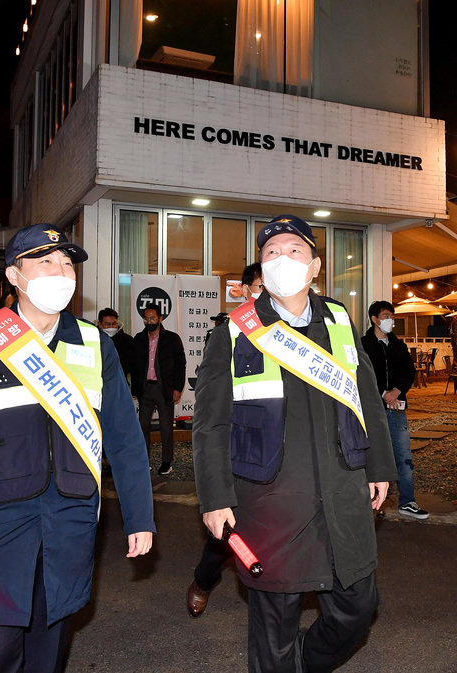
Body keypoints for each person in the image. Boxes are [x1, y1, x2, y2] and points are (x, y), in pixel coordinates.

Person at [0, 223, 155, 673]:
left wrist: (140, 516)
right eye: (44, 262)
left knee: (48, 660)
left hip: (68, 530)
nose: (60, 271)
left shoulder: (96, 345)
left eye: (66, 263)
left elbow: (124, 438)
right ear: (15, 276)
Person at [193, 214, 397, 673]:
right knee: (273, 630)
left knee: (357, 610)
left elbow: (367, 396)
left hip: (343, 492)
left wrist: (381, 467)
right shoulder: (234, 329)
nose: (281, 259)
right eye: (270, 253)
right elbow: (210, 424)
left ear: (315, 267)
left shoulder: (339, 319)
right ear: (260, 269)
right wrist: (215, 497)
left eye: (294, 251)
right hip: (270, 501)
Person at [188, 262, 264, 617]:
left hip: (278, 458)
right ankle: (203, 581)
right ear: (246, 290)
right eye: (261, 286)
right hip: (239, 453)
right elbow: (211, 415)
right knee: (225, 537)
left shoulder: (298, 334)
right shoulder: (230, 333)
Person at [361, 300, 430, 520]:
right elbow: (363, 374)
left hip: (397, 409)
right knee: (371, 456)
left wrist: (398, 390)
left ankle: (407, 502)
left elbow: (409, 371)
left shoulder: (398, 345)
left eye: (392, 316)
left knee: (403, 456)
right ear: (375, 319)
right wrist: (383, 393)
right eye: (386, 316)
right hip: (373, 410)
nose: (390, 320)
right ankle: (371, 502)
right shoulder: (363, 345)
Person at [132, 303, 186, 475]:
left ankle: (166, 461)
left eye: (153, 318)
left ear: (160, 319)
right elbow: (135, 367)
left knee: (166, 427)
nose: (149, 322)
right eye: (146, 319)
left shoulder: (172, 339)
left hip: (165, 389)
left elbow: (180, 365)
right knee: (143, 426)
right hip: (145, 389)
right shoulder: (139, 339)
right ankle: (143, 460)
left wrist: (177, 388)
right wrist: (135, 387)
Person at [97, 307, 135, 382]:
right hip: (98, 384)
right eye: (107, 324)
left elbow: (133, 366)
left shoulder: (127, 341)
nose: (111, 327)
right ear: (100, 324)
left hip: (120, 383)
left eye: (114, 324)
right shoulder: (93, 339)